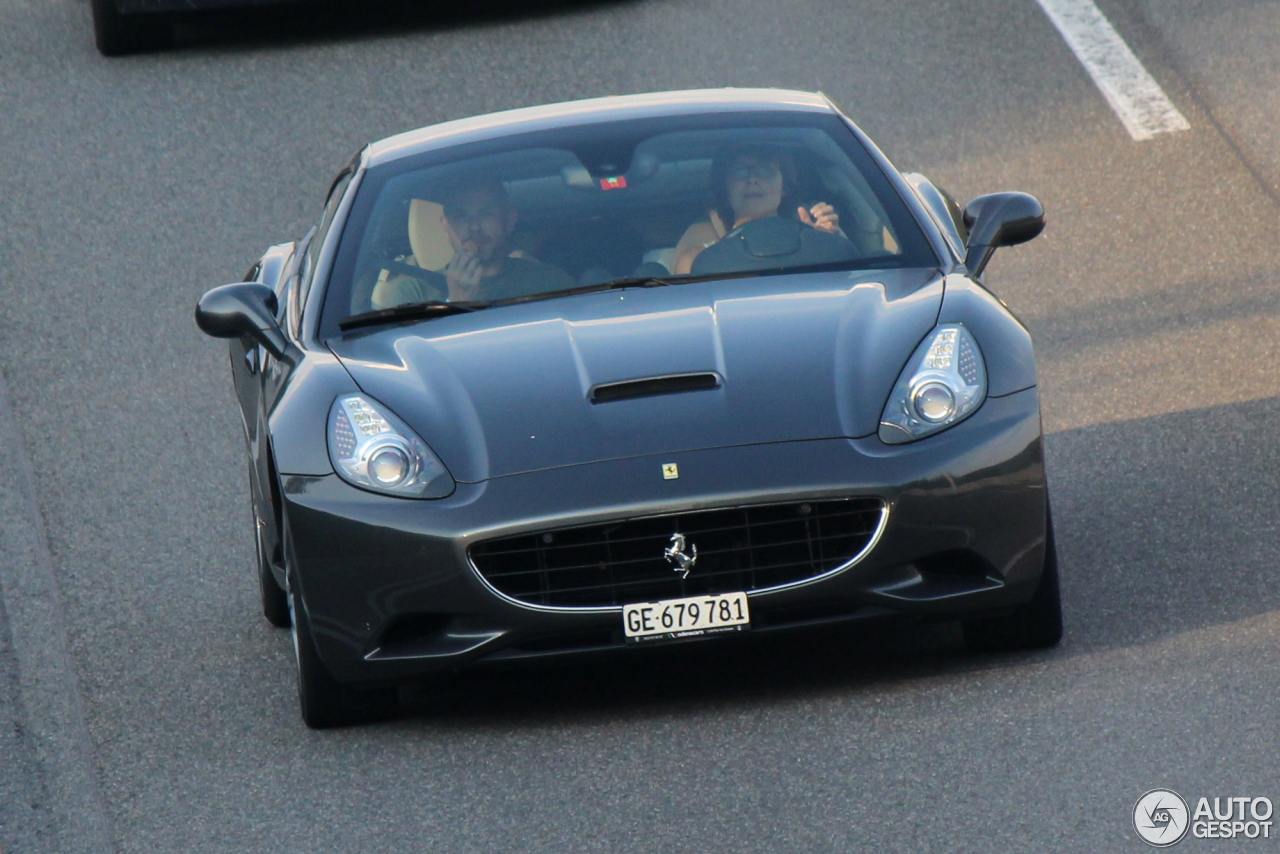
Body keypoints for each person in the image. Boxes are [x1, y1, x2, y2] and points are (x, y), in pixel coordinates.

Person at [374, 179, 574, 308]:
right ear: (445, 225)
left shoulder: (549, 284)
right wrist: (457, 302)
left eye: (485, 214)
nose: (473, 227)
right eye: (461, 216)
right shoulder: (412, 294)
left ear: (509, 221)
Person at [671, 147, 842, 275]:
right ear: (726, 189)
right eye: (739, 172)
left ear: (785, 187)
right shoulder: (696, 262)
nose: (752, 179)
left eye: (765, 171)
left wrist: (823, 241)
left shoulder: (818, 246)